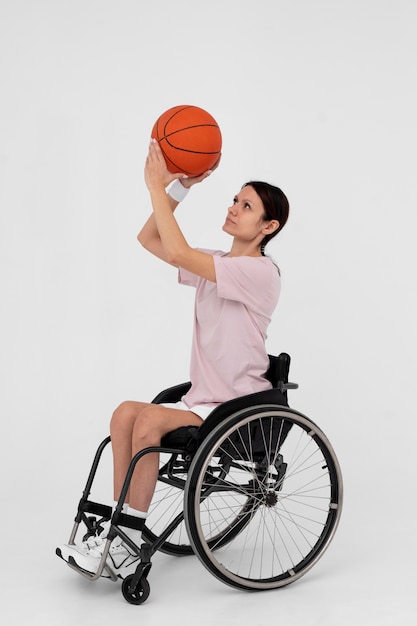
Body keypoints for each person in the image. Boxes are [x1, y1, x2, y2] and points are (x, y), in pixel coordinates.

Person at [57, 139, 289, 579]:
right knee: (125, 412)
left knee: (149, 422)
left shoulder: (261, 273)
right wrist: (179, 187)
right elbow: (149, 239)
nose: (234, 207)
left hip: (237, 409)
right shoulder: (216, 262)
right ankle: (112, 527)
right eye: (235, 199)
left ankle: (126, 544)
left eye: (247, 205)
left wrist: (154, 186)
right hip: (202, 400)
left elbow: (179, 252)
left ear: (268, 225)